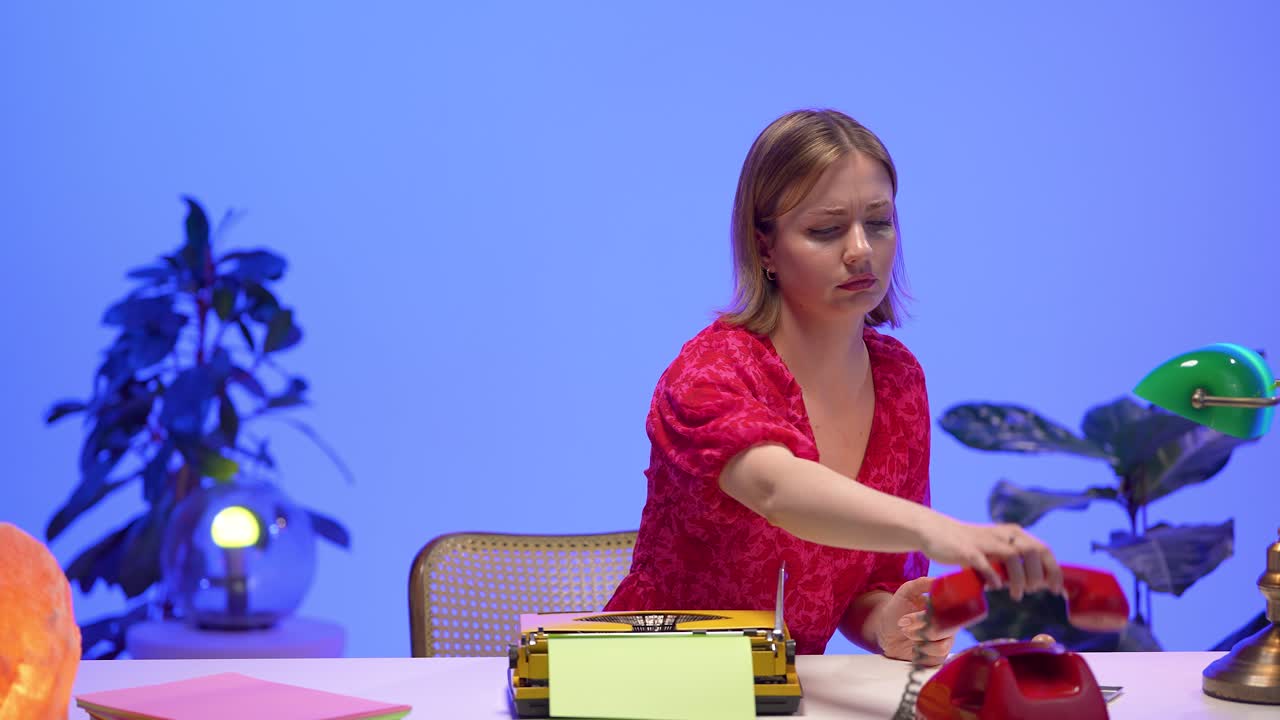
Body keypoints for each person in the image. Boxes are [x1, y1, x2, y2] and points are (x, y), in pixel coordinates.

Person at [603, 109, 1064, 664]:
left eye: (878, 222)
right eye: (826, 230)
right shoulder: (708, 372)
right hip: (655, 683)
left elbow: (867, 586)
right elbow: (778, 491)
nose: (861, 250)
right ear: (765, 249)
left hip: (792, 696)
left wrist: (890, 622)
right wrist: (938, 531)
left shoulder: (898, 379)